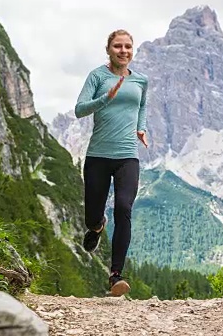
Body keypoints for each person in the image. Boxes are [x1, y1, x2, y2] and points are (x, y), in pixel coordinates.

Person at [74, 29, 149, 297]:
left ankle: (116, 275)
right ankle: (96, 226)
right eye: (118, 46)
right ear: (108, 49)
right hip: (98, 156)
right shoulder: (97, 76)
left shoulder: (141, 80)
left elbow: (141, 107)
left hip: (128, 156)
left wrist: (141, 128)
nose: (123, 50)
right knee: (93, 215)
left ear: (132, 50)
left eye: (128, 46)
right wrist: (107, 98)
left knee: (124, 208)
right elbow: (79, 109)